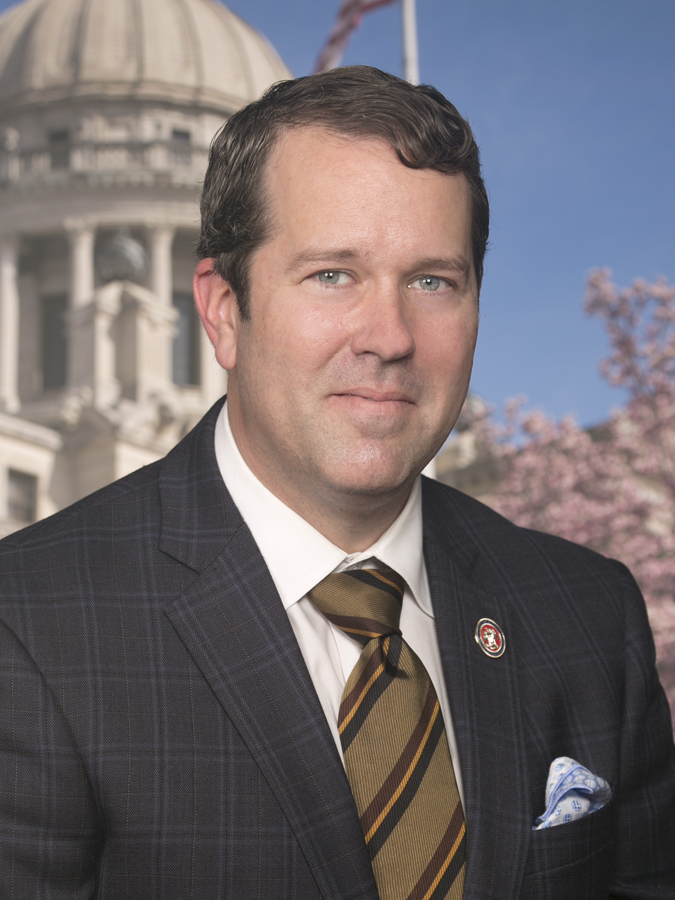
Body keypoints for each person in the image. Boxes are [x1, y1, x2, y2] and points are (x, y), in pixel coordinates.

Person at [0, 66, 673, 899]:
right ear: (219, 308)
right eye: (331, 274)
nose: (388, 336)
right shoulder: (27, 625)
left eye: (433, 280)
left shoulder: (587, 612)